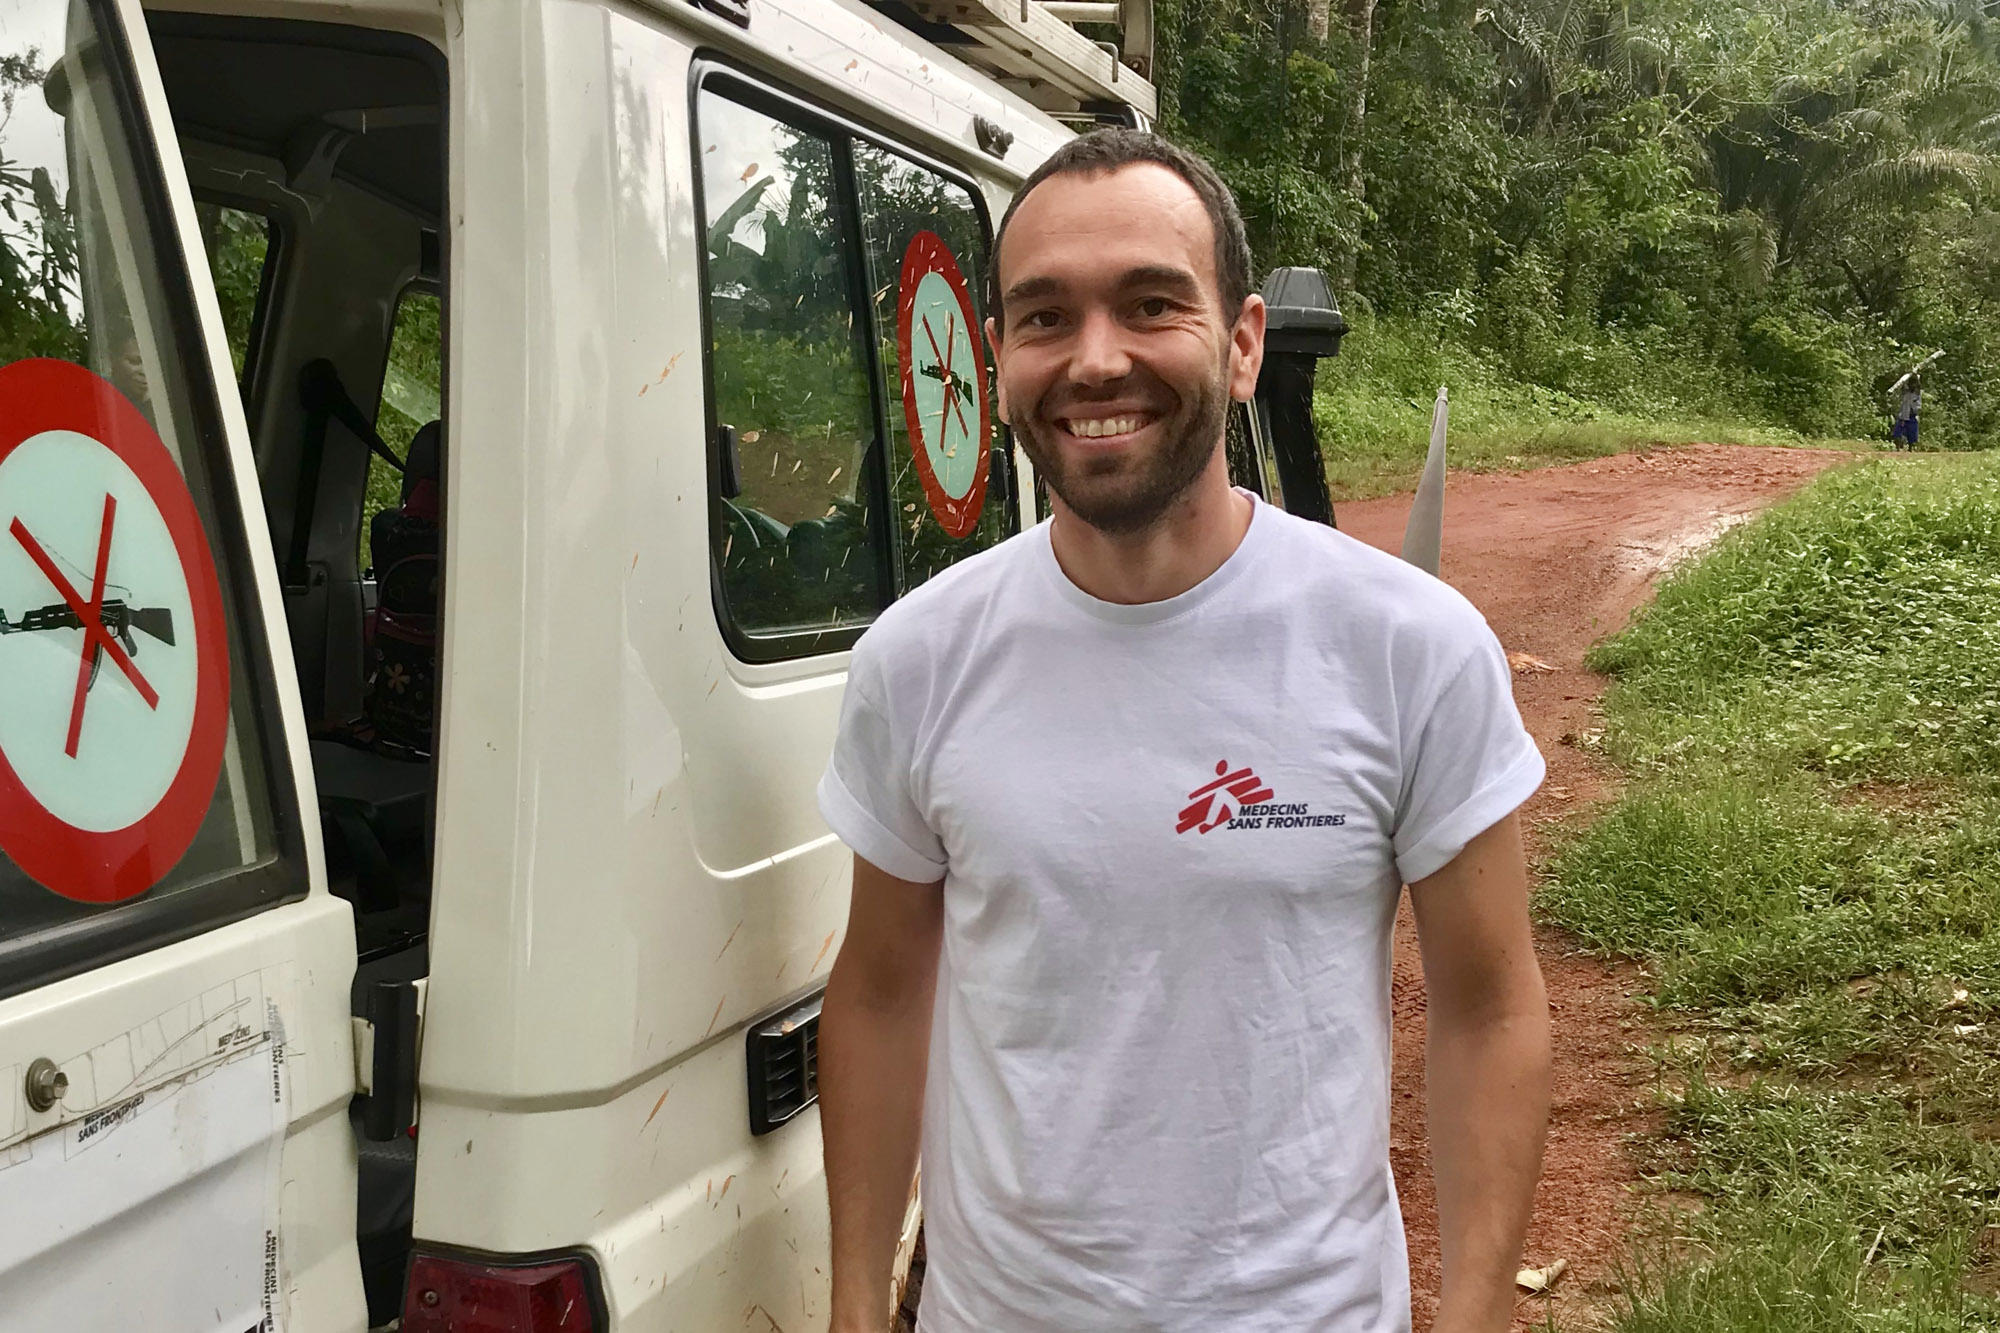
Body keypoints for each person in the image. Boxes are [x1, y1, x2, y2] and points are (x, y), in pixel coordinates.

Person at [816, 128, 1551, 1333]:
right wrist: (854, 1307)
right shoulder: (918, 657)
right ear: (996, 355)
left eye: (1150, 304)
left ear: (1244, 342)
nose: (1095, 360)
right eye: (1045, 318)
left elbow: (1490, 1009)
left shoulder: (1406, 646)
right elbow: (882, 992)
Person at [1892, 374, 1922, 448]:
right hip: (1903, 415)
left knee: (1912, 435)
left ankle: (1910, 448)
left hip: (1912, 416)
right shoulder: (1905, 392)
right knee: (1897, 433)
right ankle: (1898, 447)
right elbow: (1901, 385)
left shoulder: (1917, 393)